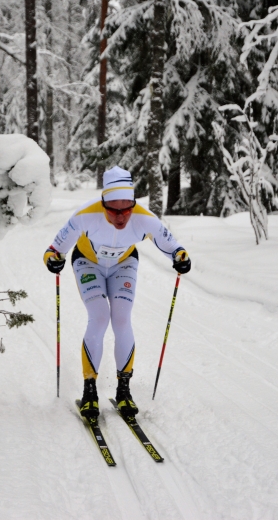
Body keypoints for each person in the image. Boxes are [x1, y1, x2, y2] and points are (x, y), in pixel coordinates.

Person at [43, 166, 191, 419]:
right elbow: (55, 248)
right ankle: (90, 391)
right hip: (87, 263)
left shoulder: (144, 218)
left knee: (121, 319)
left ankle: (124, 390)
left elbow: (174, 246)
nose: (121, 216)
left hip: (124, 264)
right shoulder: (85, 216)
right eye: (113, 209)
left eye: (126, 208)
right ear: (103, 203)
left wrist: (180, 257)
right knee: (99, 317)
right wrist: (52, 260)